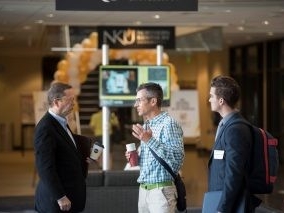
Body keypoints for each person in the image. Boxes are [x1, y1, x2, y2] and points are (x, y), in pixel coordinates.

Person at [34, 82, 94, 212]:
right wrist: (60, 196)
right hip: (56, 202)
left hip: (69, 198)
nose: (74, 103)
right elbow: (45, 167)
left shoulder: (61, 122)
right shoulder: (45, 128)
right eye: (70, 99)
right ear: (56, 102)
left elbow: (65, 150)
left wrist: (83, 154)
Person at [126, 82, 185, 213]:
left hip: (161, 192)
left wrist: (149, 140)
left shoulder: (169, 124)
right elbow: (155, 161)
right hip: (144, 191)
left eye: (139, 100)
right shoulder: (147, 124)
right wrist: (137, 157)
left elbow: (177, 160)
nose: (136, 105)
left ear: (153, 101)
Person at [208, 75, 261, 212]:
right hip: (220, 198)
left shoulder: (236, 129)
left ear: (221, 100)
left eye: (211, 96)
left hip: (230, 205)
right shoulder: (226, 125)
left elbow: (234, 173)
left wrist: (223, 208)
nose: (209, 100)